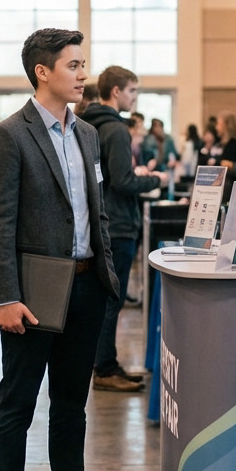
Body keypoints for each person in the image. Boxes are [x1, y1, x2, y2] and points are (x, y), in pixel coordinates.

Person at [0, 28, 126, 471]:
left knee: (72, 404)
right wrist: (5, 297)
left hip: (86, 286)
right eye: (73, 65)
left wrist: (107, 275)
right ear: (43, 72)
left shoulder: (86, 134)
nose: (83, 73)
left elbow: (95, 210)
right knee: (17, 404)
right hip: (33, 293)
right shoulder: (9, 136)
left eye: (84, 64)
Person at [80, 65, 164, 393]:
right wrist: (156, 179)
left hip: (99, 220)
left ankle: (104, 363)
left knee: (103, 299)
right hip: (118, 224)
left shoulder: (88, 124)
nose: (135, 97)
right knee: (111, 299)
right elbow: (123, 181)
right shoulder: (115, 129)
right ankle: (105, 367)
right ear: (116, 91)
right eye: (132, 91)